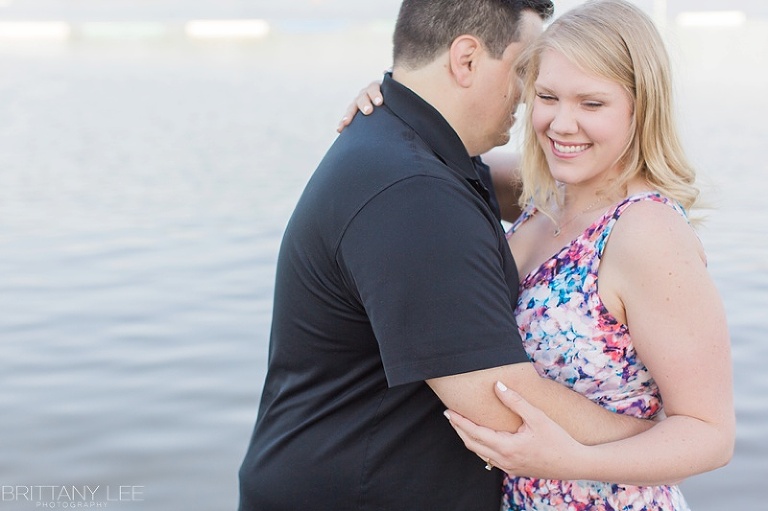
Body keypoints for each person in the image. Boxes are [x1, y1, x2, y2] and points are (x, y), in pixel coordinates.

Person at [237, 1, 664, 510]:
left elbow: (554, 189)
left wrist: (635, 188)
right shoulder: (412, 191)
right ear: (466, 60)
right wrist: (652, 437)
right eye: (527, 71)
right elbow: (503, 403)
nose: (531, 97)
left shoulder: (408, 148)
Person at [338, 1, 735, 510]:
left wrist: (573, 461)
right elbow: (436, 156)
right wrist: (393, 102)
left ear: (642, 108)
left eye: (592, 104)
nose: (562, 125)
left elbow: (709, 433)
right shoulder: (539, 195)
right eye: (547, 96)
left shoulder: (648, 232)